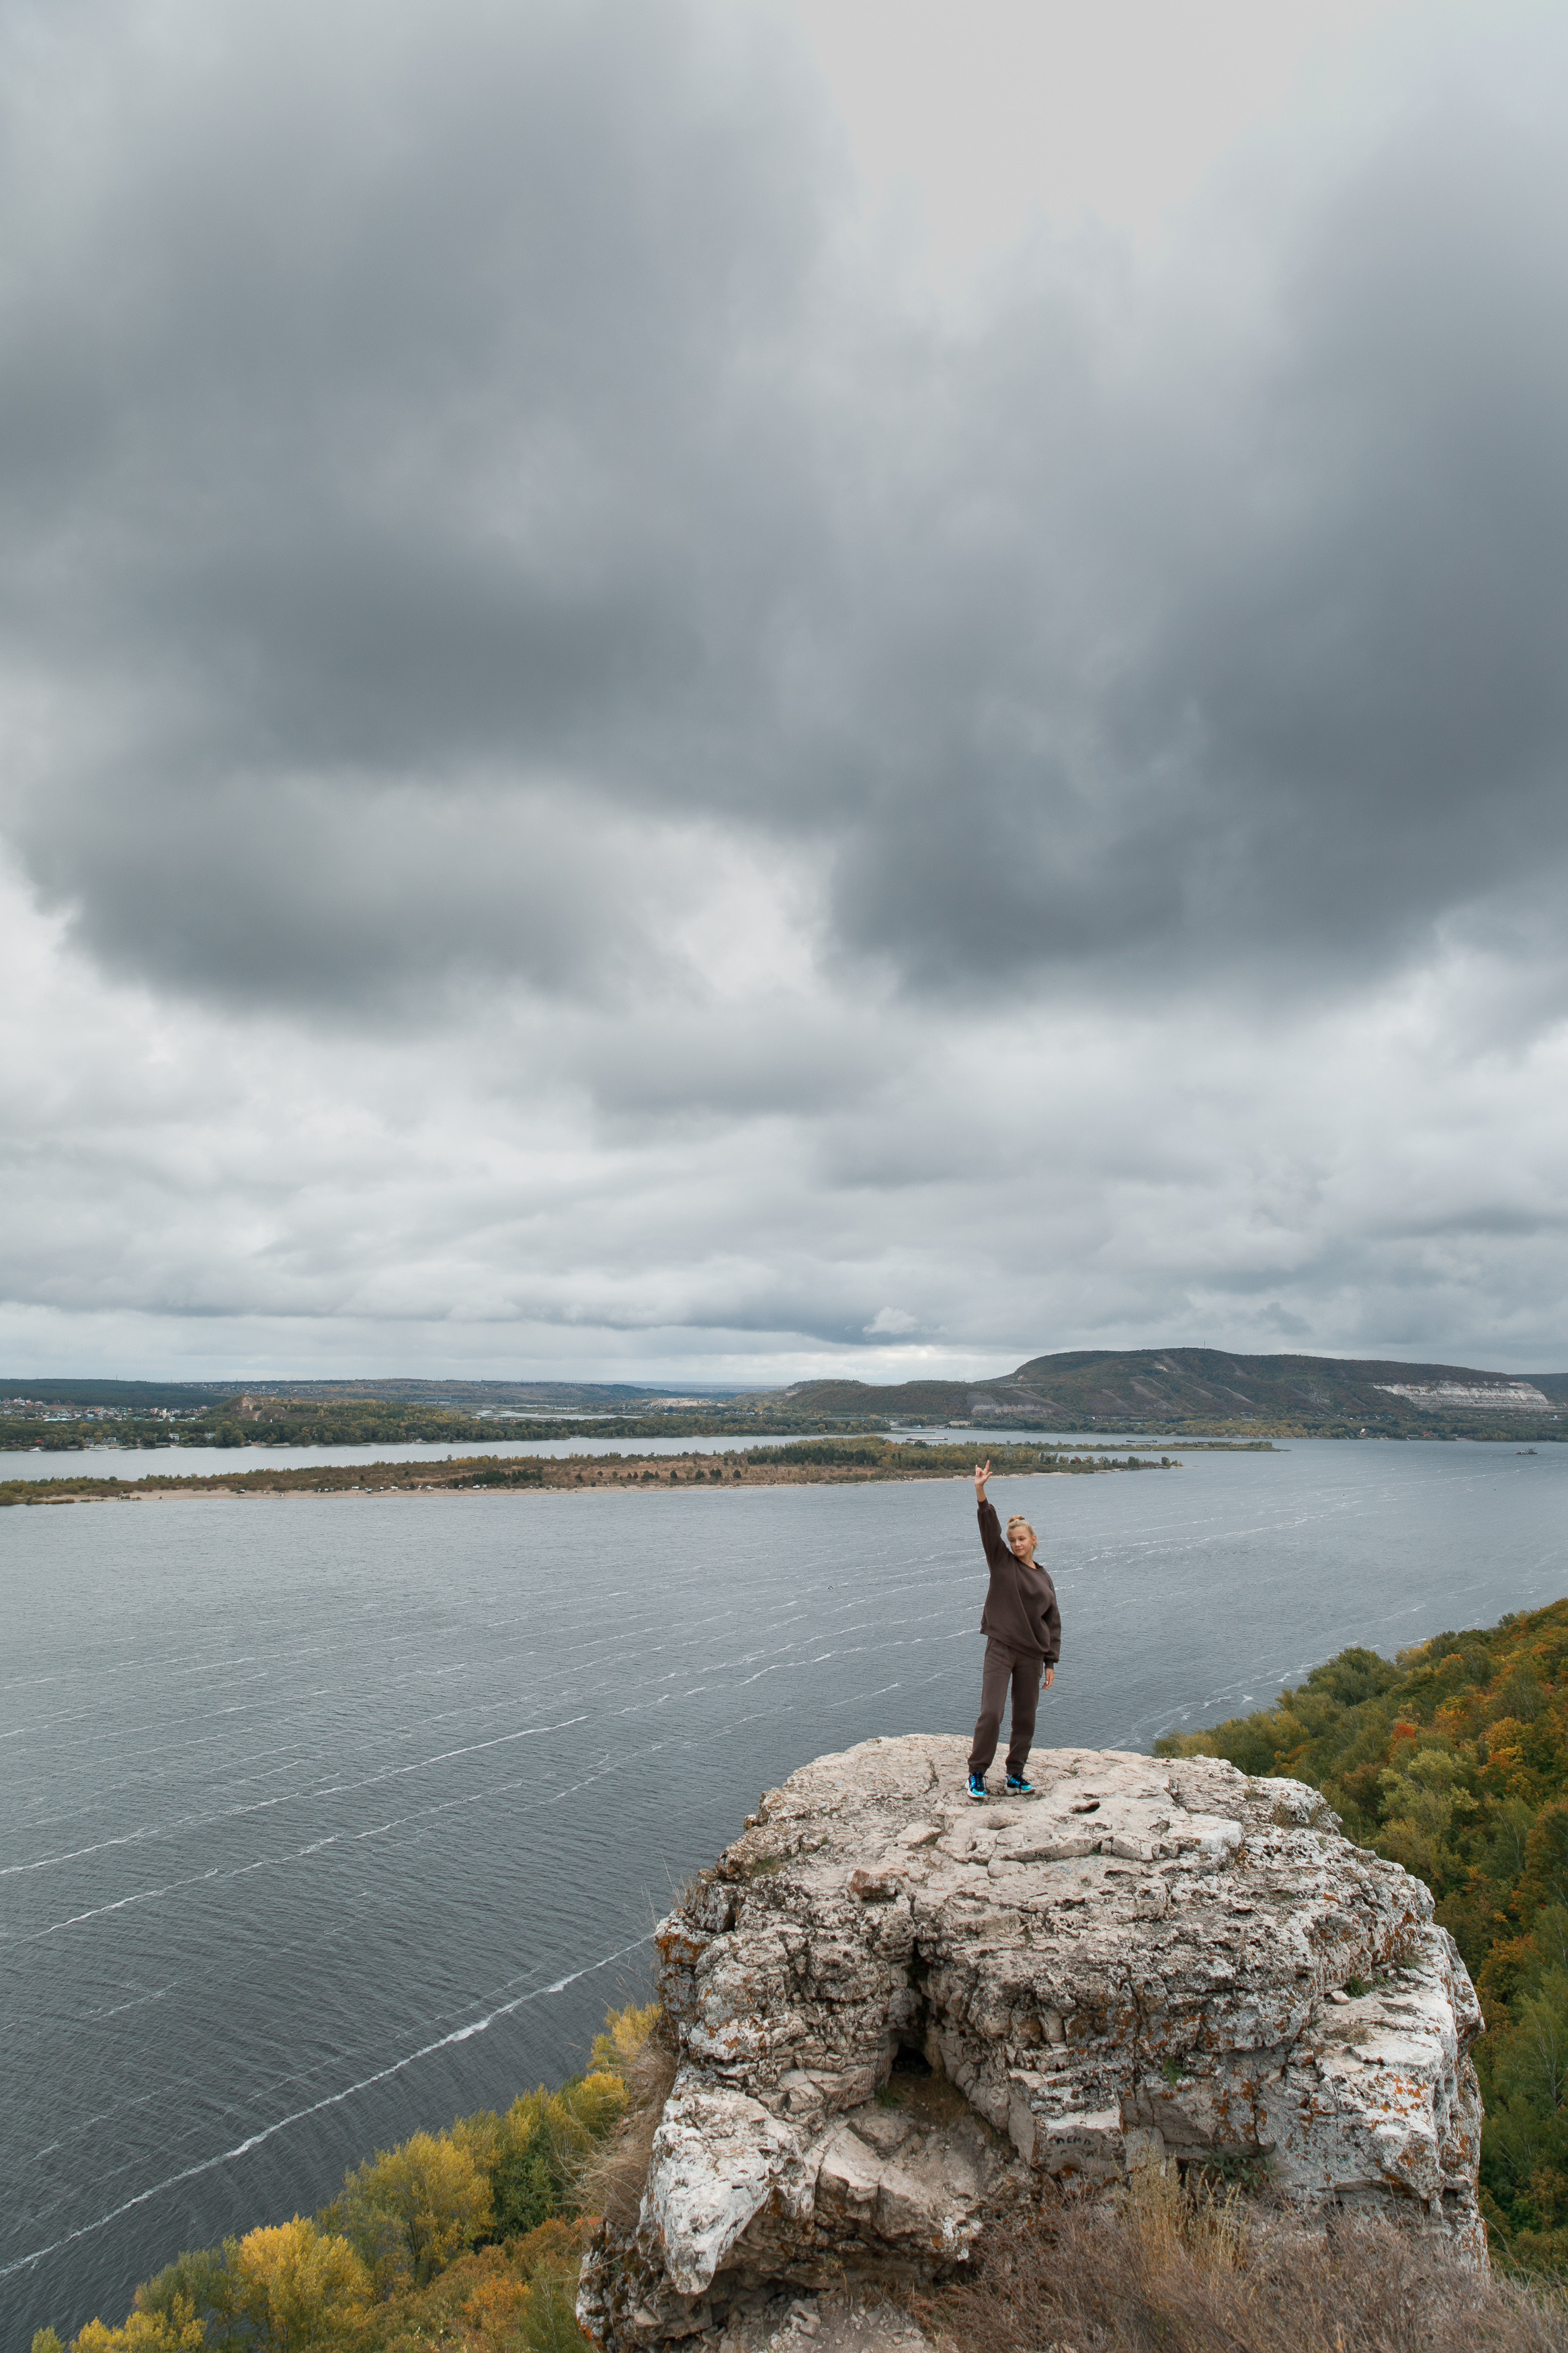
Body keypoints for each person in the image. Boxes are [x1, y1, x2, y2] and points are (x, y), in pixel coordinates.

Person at [966, 1458, 1059, 1800]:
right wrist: (981, 1493)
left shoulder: (1044, 1577)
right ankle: (977, 1773)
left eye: (1022, 1539)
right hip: (1001, 1647)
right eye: (1012, 1539)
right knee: (992, 1713)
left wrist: (1051, 1662)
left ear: (1034, 1539)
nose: (1017, 1544)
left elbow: (1053, 1621)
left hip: (1033, 1655)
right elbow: (988, 1529)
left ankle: (1014, 1775)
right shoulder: (1001, 1562)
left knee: (1025, 1718)